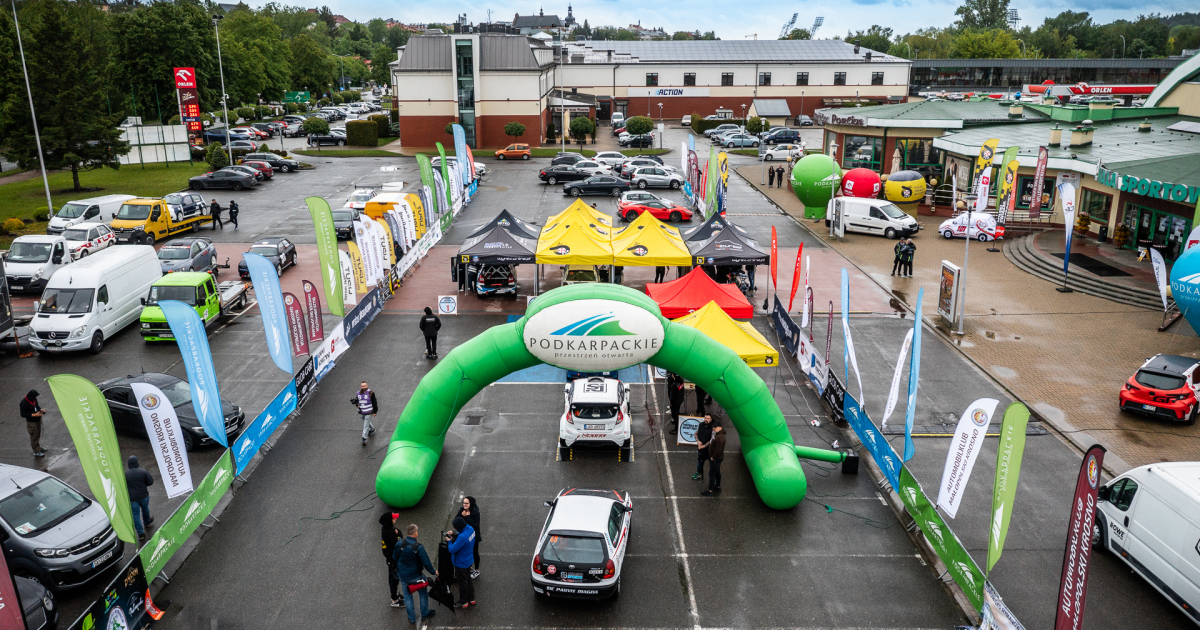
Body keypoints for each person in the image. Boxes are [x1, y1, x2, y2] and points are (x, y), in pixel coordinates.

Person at [394, 524, 437, 624]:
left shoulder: (399, 543)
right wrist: (434, 572)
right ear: (415, 533)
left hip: (403, 576)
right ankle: (424, 614)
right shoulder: (418, 547)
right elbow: (426, 563)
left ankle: (412, 618)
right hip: (416, 577)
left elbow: (394, 557)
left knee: (407, 596)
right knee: (423, 594)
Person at [447, 516, 476, 608]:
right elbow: (463, 534)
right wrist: (455, 534)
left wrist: (449, 541)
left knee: (462, 583)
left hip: (461, 563)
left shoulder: (462, 538)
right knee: (468, 580)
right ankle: (471, 599)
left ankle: (463, 602)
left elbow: (452, 549)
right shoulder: (471, 529)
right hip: (469, 559)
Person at [125, 456, 154, 541]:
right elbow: (150, 482)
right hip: (144, 496)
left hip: (132, 499)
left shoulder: (125, 474)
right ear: (137, 463)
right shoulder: (143, 472)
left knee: (135, 515)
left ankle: (141, 534)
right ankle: (147, 522)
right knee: (145, 509)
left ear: (129, 464)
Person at [380, 512, 403, 607]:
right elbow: (400, 540)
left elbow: (399, 533)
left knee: (394, 578)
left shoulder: (387, 529)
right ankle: (394, 600)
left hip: (391, 558)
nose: (395, 519)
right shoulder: (390, 533)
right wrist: (398, 535)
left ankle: (395, 594)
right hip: (393, 559)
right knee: (394, 579)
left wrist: (397, 534)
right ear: (389, 521)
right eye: (394, 518)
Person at [701, 423, 726, 496]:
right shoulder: (719, 435)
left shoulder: (719, 437)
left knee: (712, 474)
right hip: (718, 458)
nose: (713, 429)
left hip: (716, 459)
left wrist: (713, 457)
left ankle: (710, 490)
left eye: (715, 427)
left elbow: (718, 450)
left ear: (719, 427)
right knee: (717, 472)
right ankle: (717, 486)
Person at [459, 497, 481, 578]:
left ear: (471, 504)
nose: (464, 505)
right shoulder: (462, 510)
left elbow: (475, 525)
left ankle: (476, 570)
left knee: (475, 552)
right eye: (463, 503)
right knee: (468, 551)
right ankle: (470, 567)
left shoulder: (476, 513)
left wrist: (467, 517)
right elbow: (457, 520)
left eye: (466, 503)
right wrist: (462, 516)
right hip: (466, 535)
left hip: (474, 536)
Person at [20, 390, 46, 457]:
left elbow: (37, 407)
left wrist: (41, 411)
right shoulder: (23, 403)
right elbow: (23, 414)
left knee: (38, 434)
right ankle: (36, 451)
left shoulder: (34, 399)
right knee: (34, 436)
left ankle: (38, 447)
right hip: (31, 423)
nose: (35, 398)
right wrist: (34, 415)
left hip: (38, 420)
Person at [351, 381, 378, 446]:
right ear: (361, 386)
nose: (363, 387)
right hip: (361, 411)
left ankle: (364, 438)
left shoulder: (371, 393)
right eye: (362, 386)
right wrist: (356, 404)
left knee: (365, 425)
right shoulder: (358, 393)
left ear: (367, 386)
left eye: (365, 386)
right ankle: (372, 429)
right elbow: (358, 400)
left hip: (369, 411)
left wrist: (375, 411)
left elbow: (374, 402)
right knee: (366, 421)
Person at [691, 415, 714, 481]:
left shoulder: (713, 428)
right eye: (705, 418)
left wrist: (704, 446)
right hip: (701, 450)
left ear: (711, 419)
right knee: (700, 463)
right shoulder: (701, 425)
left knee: (712, 464)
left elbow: (712, 439)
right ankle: (699, 473)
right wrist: (698, 441)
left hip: (710, 450)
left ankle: (714, 477)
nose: (706, 419)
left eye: (708, 418)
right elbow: (696, 433)